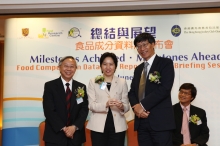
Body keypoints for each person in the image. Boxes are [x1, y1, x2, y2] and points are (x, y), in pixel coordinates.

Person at [128, 32, 175, 146]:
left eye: (145, 45)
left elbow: (165, 89)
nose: (142, 49)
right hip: (142, 122)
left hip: (160, 122)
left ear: (153, 44)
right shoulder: (138, 69)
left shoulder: (165, 63)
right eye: (138, 46)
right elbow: (132, 92)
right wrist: (136, 107)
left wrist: (142, 106)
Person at [42, 56, 89, 146]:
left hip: (75, 137)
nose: (69, 69)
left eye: (72, 66)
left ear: (75, 69)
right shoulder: (50, 86)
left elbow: (84, 109)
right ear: (59, 67)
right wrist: (64, 129)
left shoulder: (80, 87)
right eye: (66, 66)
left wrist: (74, 127)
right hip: (55, 136)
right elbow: (49, 111)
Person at [86, 52, 130, 146]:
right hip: (98, 126)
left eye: (111, 64)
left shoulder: (122, 82)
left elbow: (127, 106)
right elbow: (91, 105)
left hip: (118, 126)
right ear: (101, 66)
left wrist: (122, 106)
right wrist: (105, 104)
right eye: (105, 64)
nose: (108, 67)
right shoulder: (94, 81)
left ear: (115, 66)